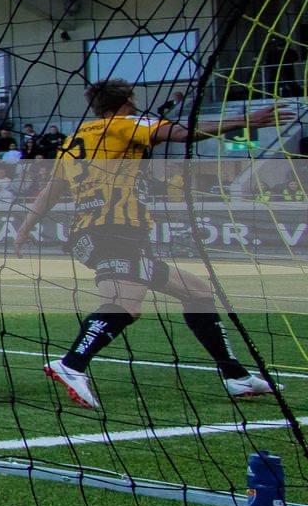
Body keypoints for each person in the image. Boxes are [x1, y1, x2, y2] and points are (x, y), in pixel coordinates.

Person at [16, 78, 280, 409]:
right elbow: (183, 133)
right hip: (114, 230)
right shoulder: (124, 123)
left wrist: (25, 226)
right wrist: (246, 120)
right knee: (127, 304)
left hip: (94, 231)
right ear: (127, 99)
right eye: (133, 97)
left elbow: (52, 190)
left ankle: (235, 376)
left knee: (196, 291)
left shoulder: (74, 139)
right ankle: (71, 365)